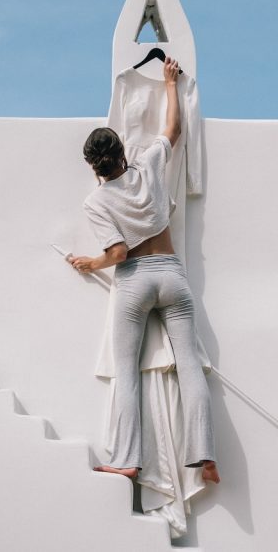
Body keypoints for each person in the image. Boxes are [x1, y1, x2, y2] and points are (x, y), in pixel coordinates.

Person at [69, 56, 220, 485]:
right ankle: (206, 456)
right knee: (189, 364)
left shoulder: (97, 202)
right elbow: (174, 128)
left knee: (127, 372)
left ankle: (128, 460)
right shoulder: (150, 163)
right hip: (172, 274)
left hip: (135, 281)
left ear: (93, 166)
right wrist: (169, 83)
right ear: (122, 153)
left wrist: (89, 262)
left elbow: (118, 253)